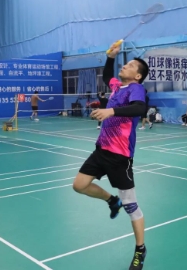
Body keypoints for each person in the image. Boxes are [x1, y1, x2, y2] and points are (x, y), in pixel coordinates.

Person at [74, 41, 148, 270]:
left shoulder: (136, 89)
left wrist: (111, 111)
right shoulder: (117, 87)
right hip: (101, 150)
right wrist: (111, 57)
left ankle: (140, 249)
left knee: (131, 206)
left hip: (120, 156)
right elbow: (107, 75)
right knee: (79, 185)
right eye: (125, 63)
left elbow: (140, 108)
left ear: (137, 76)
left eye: (130, 65)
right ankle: (111, 200)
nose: (125, 66)